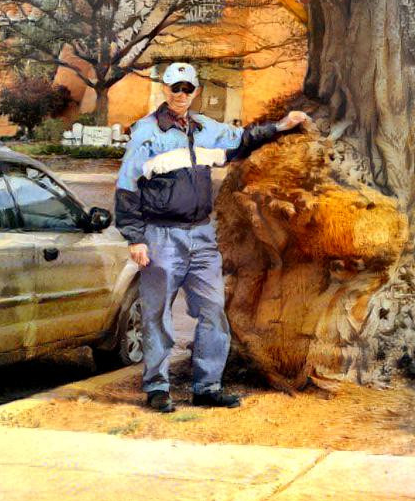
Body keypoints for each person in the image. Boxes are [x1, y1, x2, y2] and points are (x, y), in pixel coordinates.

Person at [114, 62, 310, 413]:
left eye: (188, 89)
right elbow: (127, 188)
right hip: (161, 236)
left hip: (202, 236)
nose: (181, 95)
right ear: (165, 89)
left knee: (213, 311)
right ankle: (157, 388)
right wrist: (135, 237)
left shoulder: (206, 129)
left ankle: (207, 387)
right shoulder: (146, 133)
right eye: (175, 88)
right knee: (157, 314)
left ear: (196, 91)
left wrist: (282, 127)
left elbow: (244, 140)